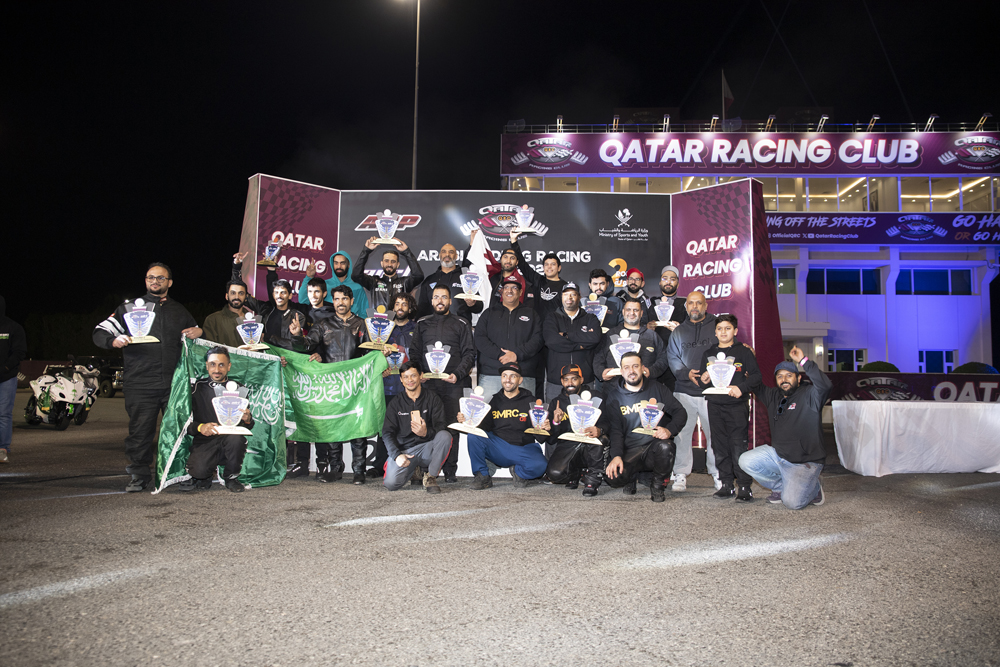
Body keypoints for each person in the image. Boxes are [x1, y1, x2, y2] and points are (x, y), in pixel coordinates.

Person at [93, 263, 202, 492]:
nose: (155, 281)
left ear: (169, 283)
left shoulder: (179, 310)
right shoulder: (129, 309)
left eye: (161, 278)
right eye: (151, 277)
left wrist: (199, 331)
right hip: (140, 384)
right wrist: (113, 340)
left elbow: (196, 333)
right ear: (145, 281)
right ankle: (139, 475)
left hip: (173, 384)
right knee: (140, 434)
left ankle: (177, 473)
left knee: (178, 431)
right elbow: (100, 332)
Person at [289, 284, 378, 485]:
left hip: (356, 384)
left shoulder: (363, 324)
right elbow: (308, 345)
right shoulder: (323, 324)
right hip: (331, 384)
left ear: (352, 301)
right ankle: (335, 468)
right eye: (337, 299)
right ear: (333, 301)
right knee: (332, 423)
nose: (340, 303)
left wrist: (381, 356)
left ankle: (359, 470)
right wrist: (297, 336)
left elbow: (371, 352)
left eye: (344, 299)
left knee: (358, 426)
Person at [740, 345, 832, 509]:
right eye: (780, 376)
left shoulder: (810, 395)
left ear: (798, 378)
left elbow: (825, 386)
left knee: (793, 503)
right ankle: (780, 487)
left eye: (789, 375)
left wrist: (803, 361)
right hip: (779, 456)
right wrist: (749, 358)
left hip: (805, 463)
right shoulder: (772, 396)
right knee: (745, 460)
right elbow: (754, 382)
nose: (784, 379)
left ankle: (815, 487)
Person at [410, 285, 475, 482]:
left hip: (453, 385)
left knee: (452, 426)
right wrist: (420, 373)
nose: (440, 301)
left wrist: (457, 374)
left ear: (450, 301)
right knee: (426, 425)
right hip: (428, 385)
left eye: (444, 297)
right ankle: (424, 467)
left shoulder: (461, 323)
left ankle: (449, 471)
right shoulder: (422, 323)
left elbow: (469, 354)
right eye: (436, 297)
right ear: (431, 301)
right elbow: (414, 353)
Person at [603, 352, 687, 502]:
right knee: (613, 478)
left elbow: (680, 412)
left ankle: (657, 485)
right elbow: (615, 431)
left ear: (643, 368)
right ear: (621, 371)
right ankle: (632, 476)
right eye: (627, 367)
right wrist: (616, 456)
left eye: (635, 366)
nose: (632, 371)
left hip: (653, 447)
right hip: (630, 449)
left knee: (667, 447)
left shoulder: (658, 389)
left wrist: (669, 430)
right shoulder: (614, 396)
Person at [696, 314, 761, 502]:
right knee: (719, 446)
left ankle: (744, 486)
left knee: (738, 446)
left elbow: (756, 377)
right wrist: (704, 380)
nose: (724, 332)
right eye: (720, 329)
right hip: (715, 406)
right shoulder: (708, 353)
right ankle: (726, 484)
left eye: (728, 328)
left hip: (737, 406)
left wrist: (741, 388)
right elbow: (703, 383)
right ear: (715, 332)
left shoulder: (744, 352)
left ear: (735, 331)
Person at [177, 347, 253, 493]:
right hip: (205, 440)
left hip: (230, 439)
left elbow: (247, 425)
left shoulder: (239, 389)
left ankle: (231, 477)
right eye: (212, 364)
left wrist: (248, 419)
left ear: (229, 366)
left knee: (236, 439)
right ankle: (204, 474)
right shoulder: (195, 389)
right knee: (198, 472)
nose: (217, 369)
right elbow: (183, 422)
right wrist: (200, 428)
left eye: (221, 364)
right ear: (206, 365)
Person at [665, 290, 719, 492]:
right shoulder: (678, 332)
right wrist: (686, 373)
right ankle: (680, 473)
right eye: (691, 303)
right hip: (684, 392)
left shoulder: (716, 326)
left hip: (712, 392)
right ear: (686, 307)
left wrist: (712, 374)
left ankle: (718, 473)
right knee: (681, 435)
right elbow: (672, 358)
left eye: (699, 303)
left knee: (715, 434)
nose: (695, 307)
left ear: (706, 306)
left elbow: (725, 351)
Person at [463, 362, 548, 490]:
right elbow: (481, 428)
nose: (507, 380)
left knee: (541, 466)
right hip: (499, 447)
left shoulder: (531, 401)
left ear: (520, 380)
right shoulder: (494, 400)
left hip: (522, 448)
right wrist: (468, 419)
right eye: (504, 376)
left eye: (513, 376)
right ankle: (483, 476)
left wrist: (545, 427)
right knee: (474, 436)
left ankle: (518, 472)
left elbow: (541, 438)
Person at [381, 362, 452, 493]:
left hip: (427, 448)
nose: (410, 380)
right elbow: (386, 433)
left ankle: (430, 476)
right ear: (401, 380)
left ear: (421, 376)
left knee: (445, 436)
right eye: (406, 377)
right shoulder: (395, 403)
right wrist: (397, 455)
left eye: (413, 376)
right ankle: (414, 470)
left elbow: (441, 426)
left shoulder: (432, 398)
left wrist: (425, 433)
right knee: (391, 484)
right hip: (405, 452)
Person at [370, 292, 418, 478]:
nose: (400, 307)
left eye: (404, 304)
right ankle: (379, 463)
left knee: (410, 427)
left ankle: (412, 466)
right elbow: (373, 356)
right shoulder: (383, 330)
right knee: (386, 427)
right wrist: (380, 367)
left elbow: (419, 355)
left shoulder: (417, 328)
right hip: (387, 384)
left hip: (410, 387)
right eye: (397, 304)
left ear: (410, 308)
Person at [544, 364, 610, 497]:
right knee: (554, 475)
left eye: (574, 379)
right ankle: (575, 473)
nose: (570, 383)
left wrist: (600, 429)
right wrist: (555, 422)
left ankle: (592, 479)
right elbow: (551, 439)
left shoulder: (596, 396)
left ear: (581, 380)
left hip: (591, 443)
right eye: (566, 379)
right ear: (562, 381)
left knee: (600, 439)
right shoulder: (556, 402)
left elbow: (609, 422)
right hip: (569, 446)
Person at [474, 276, 543, 399]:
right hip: (492, 374)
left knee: (524, 417)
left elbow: (538, 339)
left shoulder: (531, 314)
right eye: (506, 287)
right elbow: (479, 338)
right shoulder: (489, 313)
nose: (509, 291)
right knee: (487, 415)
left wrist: (516, 355)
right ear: (501, 291)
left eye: (514, 287)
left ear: (521, 292)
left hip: (523, 375)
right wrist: (500, 355)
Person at [541, 282, 602, 402]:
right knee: (556, 417)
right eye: (566, 294)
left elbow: (595, 338)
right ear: (561, 297)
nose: (569, 298)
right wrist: (580, 345)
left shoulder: (590, 318)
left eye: (573, 294)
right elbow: (552, 341)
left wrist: (566, 335)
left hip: (584, 379)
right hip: (557, 380)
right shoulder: (551, 318)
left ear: (579, 297)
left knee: (585, 418)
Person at [593, 297, 669, 392]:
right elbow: (598, 358)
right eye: (628, 310)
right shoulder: (610, 334)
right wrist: (601, 372)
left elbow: (664, 358)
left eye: (636, 310)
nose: (632, 313)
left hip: (645, 389)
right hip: (614, 390)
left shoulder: (652, 335)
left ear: (641, 313)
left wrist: (651, 371)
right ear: (623, 312)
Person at [231, 252, 310, 344]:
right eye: (276, 292)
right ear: (273, 295)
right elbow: (240, 293)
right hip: (265, 356)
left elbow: (296, 345)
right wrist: (236, 267)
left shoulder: (298, 316)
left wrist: (268, 338)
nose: (279, 296)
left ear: (290, 296)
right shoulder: (265, 309)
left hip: (287, 357)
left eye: (283, 293)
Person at [416, 239, 484, 321]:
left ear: (456, 256)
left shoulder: (466, 279)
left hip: (460, 329)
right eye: (444, 252)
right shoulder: (429, 280)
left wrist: (472, 304)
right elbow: (422, 310)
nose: (447, 254)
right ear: (439, 255)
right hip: (434, 329)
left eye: (451, 252)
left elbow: (479, 307)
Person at [352, 237, 424, 312]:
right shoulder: (374, 282)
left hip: (398, 322)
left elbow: (418, 276)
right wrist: (366, 251)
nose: (389, 264)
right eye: (386, 261)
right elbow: (356, 275)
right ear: (382, 263)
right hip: (378, 321)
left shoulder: (404, 283)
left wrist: (406, 252)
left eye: (393, 261)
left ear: (398, 264)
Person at [646, 265, 687, 390]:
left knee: (674, 396)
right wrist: (647, 327)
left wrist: (681, 329)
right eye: (665, 278)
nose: (668, 282)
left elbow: (692, 329)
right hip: (654, 357)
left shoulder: (685, 303)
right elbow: (640, 327)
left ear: (678, 284)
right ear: (660, 282)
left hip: (676, 356)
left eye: (672, 279)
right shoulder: (650, 302)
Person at [301, 249, 369, 317]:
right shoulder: (325, 284)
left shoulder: (357, 288)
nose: (339, 266)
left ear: (348, 264)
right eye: (336, 263)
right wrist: (309, 277)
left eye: (342, 263)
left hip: (349, 326)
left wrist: (356, 326)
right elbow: (304, 301)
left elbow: (363, 313)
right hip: (325, 325)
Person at [0, 295, 27, 464]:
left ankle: (2, 448)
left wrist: (5, 368)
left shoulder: (13, 327)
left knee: (3, 414)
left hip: (6, 378)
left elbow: (19, 352)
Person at [202, 280, 251, 348]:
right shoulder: (213, 320)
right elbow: (208, 349)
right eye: (233, 293)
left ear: (246, 297)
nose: (237, 297)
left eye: (241, 293)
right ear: (227, 296)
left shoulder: (253, 320)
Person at [535, 252, 568, 320]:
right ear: (543, 268)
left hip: (557, 328)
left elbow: (570, 310)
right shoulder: (538, 280)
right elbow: (524, 267)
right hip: (539, 327)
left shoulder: (565, 287)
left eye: (553, 264)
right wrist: (514, 243)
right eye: (546, 264)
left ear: (559, 268)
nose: (549, 267)